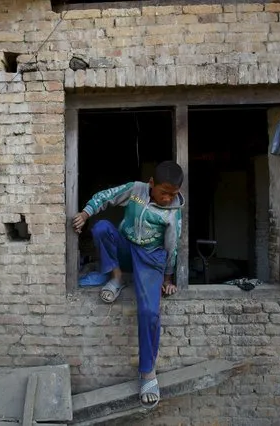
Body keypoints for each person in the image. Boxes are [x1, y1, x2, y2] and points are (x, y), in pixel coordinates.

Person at [72, 160, 185, 409]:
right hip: (127, 247)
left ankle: (147, 373)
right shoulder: (136, 190)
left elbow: (172, 247)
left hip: (152, 258)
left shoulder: (173, 211)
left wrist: (168, 277)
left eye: (173, 194)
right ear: (151, 184)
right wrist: (86, 212)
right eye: (164, 192)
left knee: (149, 312)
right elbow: (108, 196)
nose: (167, 198)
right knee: (102, 228)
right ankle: (117, 277)